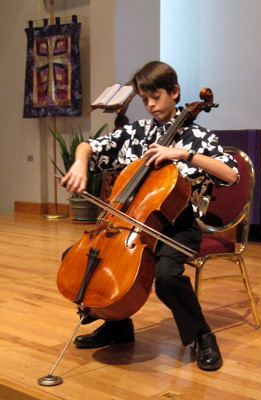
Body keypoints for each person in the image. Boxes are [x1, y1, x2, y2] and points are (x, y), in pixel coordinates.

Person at [61, 61, 239, 371]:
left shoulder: (199, 137)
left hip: (177, 225)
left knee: (167, 277)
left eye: (156, 96)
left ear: (174, 92)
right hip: (129, 222)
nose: (151, 105)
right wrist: (79, 163)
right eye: (145, 99)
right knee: (81, 259)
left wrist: (183, 154)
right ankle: (117, 325)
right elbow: (90, 146)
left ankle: (202, 335)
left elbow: (231, 175)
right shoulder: (137, 132)